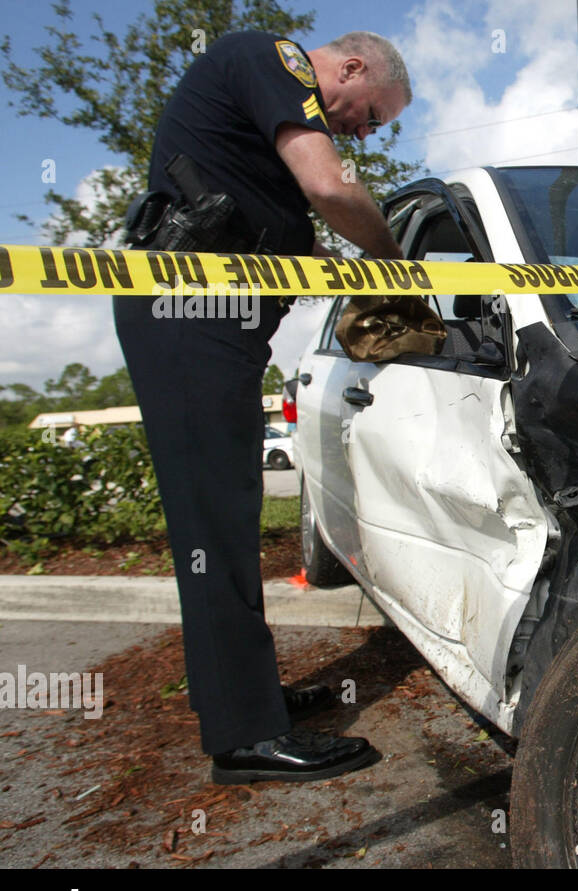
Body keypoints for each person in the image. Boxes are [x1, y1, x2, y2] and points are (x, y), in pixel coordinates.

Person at [112, 30, 409, 783]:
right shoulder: (270, 59)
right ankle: (244, 738)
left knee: (231, 517)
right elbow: (332, 189)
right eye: (371, 112)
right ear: (347, 68)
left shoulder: (263, 132)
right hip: (186, 316)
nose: (364, 130)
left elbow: (297, 234)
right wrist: (395, 263)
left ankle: (246, 699)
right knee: (212, 519)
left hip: (219, 327)